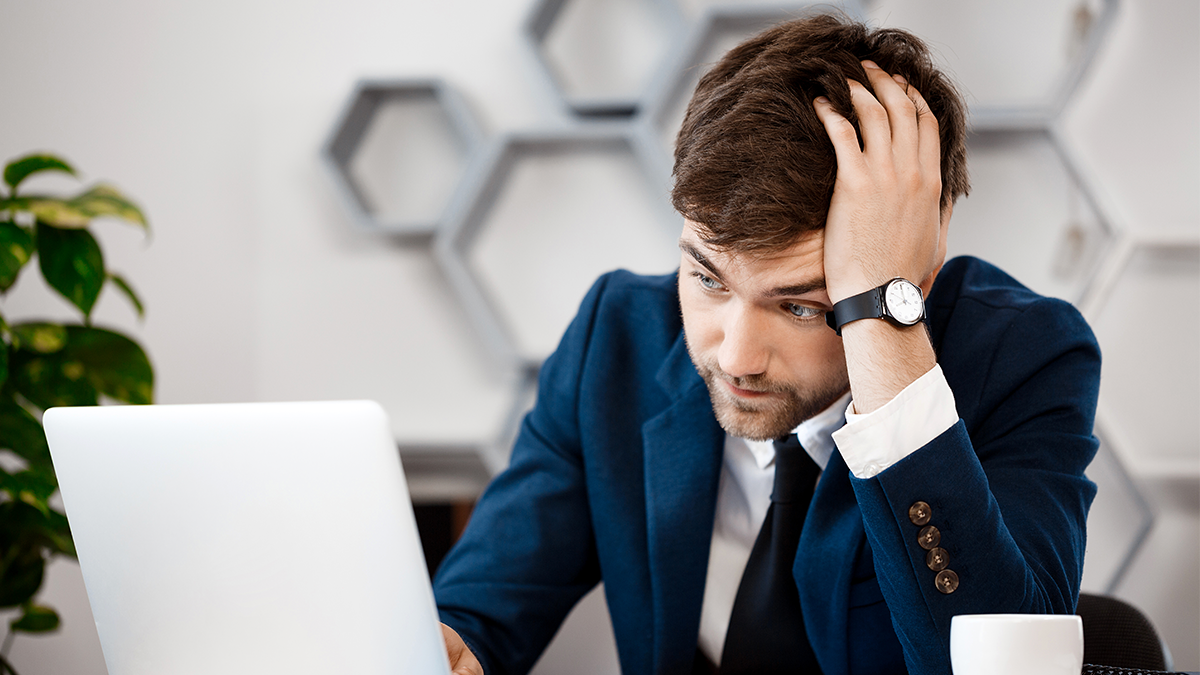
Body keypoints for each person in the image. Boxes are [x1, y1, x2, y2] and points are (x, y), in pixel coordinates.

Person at [433, 12, 1100, 675]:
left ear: (917, 266)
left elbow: (1002, 667)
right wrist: (448, 645)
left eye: (802, 305)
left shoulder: (1026, 357)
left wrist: (880, 314)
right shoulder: (618, 337)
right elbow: (478, 615)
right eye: (707, 278)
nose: (736, 356)